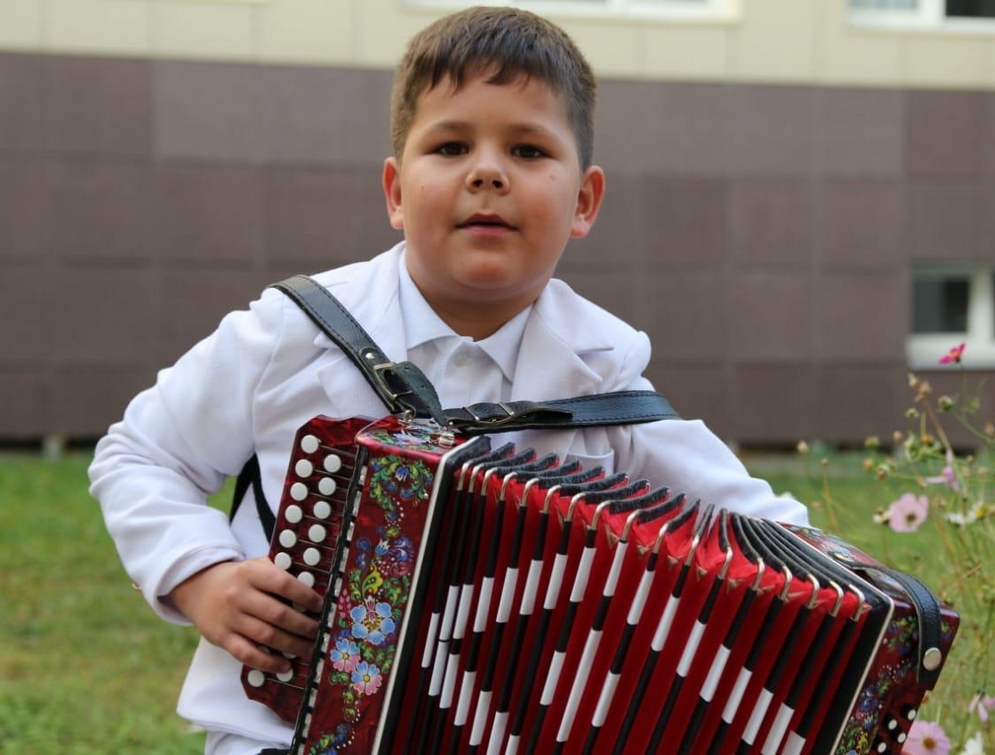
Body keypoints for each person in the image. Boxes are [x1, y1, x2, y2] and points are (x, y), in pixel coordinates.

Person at [88, 7, 808, 754]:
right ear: (396, 192)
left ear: (584, 202)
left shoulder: (602, 378)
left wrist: (858, 590)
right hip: (281, 732)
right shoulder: (293, 333)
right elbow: (141, 454)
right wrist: (201, 576)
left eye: (528, 149)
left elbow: (762, 531)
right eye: (451, 144)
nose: (487, 171)